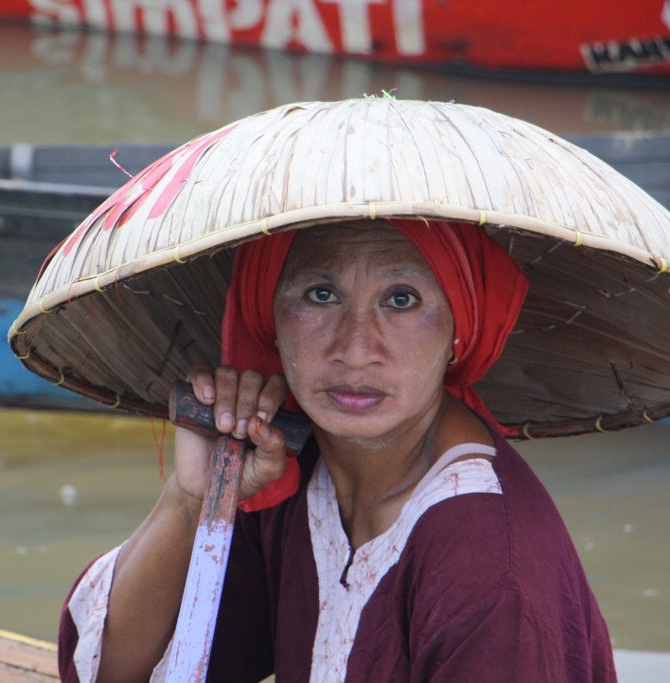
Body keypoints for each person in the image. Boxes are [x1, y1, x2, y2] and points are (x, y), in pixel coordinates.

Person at [57, 218, 617, 683]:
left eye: (401, 299)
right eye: (321, 294)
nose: (354, 348)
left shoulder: (490, 568)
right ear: (270, 318)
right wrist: (193, 500)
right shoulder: (288, 473)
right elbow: (109, 672)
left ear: (459, 331)